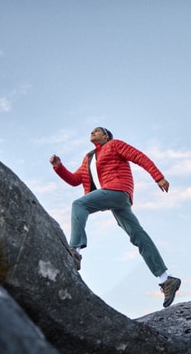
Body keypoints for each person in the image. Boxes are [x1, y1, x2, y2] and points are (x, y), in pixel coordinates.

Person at [49, 127, 181, 308]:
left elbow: (139, 157)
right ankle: (166, 279)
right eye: (92, 131)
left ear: (106, 136)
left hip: (117, 190)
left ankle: (75, 251)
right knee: (138, 235)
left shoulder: (115, 145)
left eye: (97, 131)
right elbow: (75, 180)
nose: (92, 132)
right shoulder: (89, 158)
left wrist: (158, 177)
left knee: (79, 204)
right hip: (115, 200)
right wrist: (58, 166)